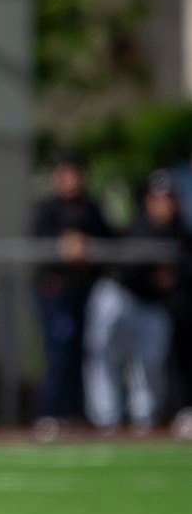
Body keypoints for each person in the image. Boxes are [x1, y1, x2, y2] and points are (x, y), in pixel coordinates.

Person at [83, 170, 185, 434]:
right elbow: (124, 264)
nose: (165, 204)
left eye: (170, 198)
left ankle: (144, 421)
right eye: (158, 198)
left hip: (152, 306)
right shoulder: (138, 226)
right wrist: (152, 273)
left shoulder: (180, 232)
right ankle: (107, 420)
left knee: (150, 364)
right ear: (148, 200)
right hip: (119, 296)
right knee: (104, 356)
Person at [29, 154, 113, 432]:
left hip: (85, 292)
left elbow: (111, 239)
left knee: (86, 352)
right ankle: (51, 412)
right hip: (56, 293)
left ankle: (78, 413)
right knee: (58, 352)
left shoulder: (91, 207)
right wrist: (62, 246)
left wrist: (87, 245)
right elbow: (38, 244)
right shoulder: (47, 209)